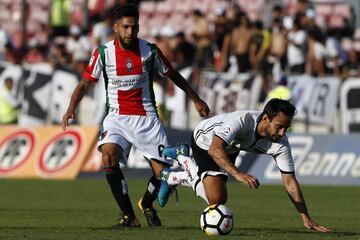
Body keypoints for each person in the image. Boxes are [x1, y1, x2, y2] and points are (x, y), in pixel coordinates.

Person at [62, 4, 209, 228]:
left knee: (164, 175)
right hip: (117, 117)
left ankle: (147, 203)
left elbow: (173, 75)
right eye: (126, 27)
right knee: (108, 157)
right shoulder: (103, 53)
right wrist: (71, 107)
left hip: (146, 118)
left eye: (135, 27)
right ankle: (129, 217)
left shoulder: (150, 51)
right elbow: (84, 83)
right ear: (116, 27)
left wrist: (196, 99)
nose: (130, 32)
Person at [159, 98, 331, 233]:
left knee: (217, 200)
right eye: (280, 127)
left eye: (286, 128)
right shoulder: (241, 121)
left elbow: (290, 182)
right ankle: (183, 159)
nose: (282, 133)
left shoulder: (281, 144)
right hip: (206, 141)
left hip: (231, 147)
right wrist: (237, 173)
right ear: (265, 118)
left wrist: (305, 217)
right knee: (217, 201)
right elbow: (214, 148)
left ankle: (174, 174)